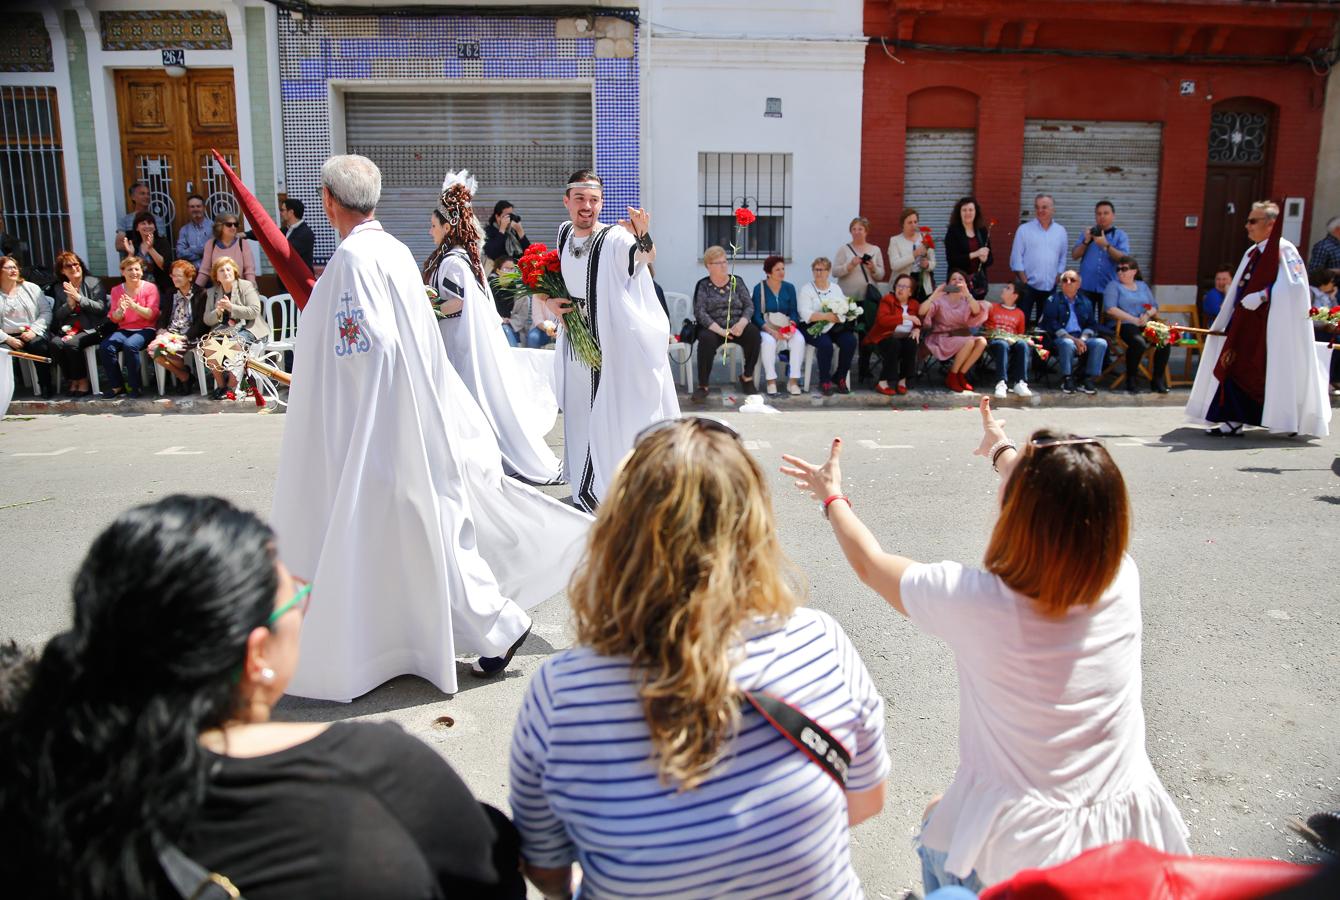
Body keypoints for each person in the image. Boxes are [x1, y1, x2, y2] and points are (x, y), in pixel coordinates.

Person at [0, 494, 527, 899]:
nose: (303, 599)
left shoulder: (40, 777)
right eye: (294, 594)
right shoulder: (382, 774)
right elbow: (493, 880)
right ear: (257, 657)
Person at [779, 399, 1191, 894]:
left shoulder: (979, 602)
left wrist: (832, 496)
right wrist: (1001, 448)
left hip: (1022, 847)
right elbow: (1070, 502)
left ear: (1016, 513)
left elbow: (870, 563)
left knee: (939, 824)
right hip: (1128, 827)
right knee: (943, 810)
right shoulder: (1120, 576)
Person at [510, 417, 890, 900]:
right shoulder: (820, 643)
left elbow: (546, 867)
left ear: (619, 536)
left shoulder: (563, 690)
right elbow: (864, 801)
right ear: (753, 530)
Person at [270, 154, 591, 700]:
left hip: (385, 425)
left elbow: (362, 351)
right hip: (422, 412)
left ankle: (494, 628)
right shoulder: (392, 250)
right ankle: (439, 637)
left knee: (425, 535)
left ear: (328, 202)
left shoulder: (352, 260)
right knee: (420, 535)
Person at [533, 169, 679, 512]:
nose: (587, 206)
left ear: (601, 203)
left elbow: (645, 257)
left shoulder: (614, 239)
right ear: (567, 201)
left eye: (594, 200)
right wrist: (550, 302)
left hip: (608, 346)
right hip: (574, 340)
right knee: (579, 410)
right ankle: (585, 479)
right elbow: (556, 279)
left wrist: (643, 236)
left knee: (605, 411)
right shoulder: (564, 233)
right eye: (580, 199)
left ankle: (603, 485)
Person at [425, 171, 563, 484]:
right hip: (462, 342)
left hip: (459, 344)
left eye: (433, 225)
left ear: (448, 227)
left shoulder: (451, 262)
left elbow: (457, 302)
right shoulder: (461, 259)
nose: (429, 230)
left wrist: (427, 309)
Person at [1187, 201, 1331, 437]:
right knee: (1234, 368)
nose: (1247, 226)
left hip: (1270, 331)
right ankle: (1233, 418)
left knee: (1265, 375)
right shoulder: (1252, 252)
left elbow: (1296, 288)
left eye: (1253, 221)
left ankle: (1285, 419)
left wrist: (1264, 295)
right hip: (1245, 326)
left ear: (1271, 224)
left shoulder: (1285, 251)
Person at [692, 246, 760, 398]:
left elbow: (749, 305)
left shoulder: (737, 281)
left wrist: (742, 324)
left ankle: (747, 377)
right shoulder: (703, 285)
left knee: (754, 334)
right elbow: (700, 312)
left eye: (725, 261)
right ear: (709, 266)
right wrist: (721, 331)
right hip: (714, 328)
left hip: (737, 327)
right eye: (718, 263)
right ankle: (703, 385)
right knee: (705, 339)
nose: (724, 265)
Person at [201, 257, 270, 400]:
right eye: (222, 270)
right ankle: (221, 386)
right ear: (216, 276)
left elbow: (254, 311)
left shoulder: (246, 286)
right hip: (225, 331)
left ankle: (232, 386)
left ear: (234, 271)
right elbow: (207, 319)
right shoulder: (212, 292)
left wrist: (231, 307)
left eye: (228, 269)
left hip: (250, 329)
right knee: (208, 345)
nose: (226, 272)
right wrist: (218, 311)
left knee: (235, 344)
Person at [1104, 255, 1170, 393]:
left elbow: (1154, 306)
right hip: (1124, 324)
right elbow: (1110, 308)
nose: (1120, 272)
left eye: (1124, 269)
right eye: (1118, 269)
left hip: (1144, 322)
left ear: (1134, 271)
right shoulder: (1113, 285)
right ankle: (1131, 379)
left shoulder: (1142, 285)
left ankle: (1157, 380)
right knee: (1138, 343)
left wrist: (1146, 315)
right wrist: (1133, 319)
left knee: (1164, 339)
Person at [98, 256, 160, 399]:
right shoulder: (116, 290)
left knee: (130, 345)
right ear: (123, 272)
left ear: (142, 272)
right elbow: (114, 317)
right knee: (106, 347)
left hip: (146, 329)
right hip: (124, 329)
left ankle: (135, 386)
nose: (134, 272)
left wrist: (134, 306)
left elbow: (151, 315)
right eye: (129, 269)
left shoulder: (150, 288)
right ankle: (117, 386)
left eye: (137, 269)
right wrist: (120, 311)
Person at [47, 251, 107, 396]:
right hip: (69, 329)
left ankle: (83, 381)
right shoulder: (59, 288)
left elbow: (101, 308)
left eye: (76, 264)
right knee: (55, 343)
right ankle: (73, 379)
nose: (74, 268)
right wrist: (69, 305)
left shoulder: (93, 282)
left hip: (93, 328)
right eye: (69, 266)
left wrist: (79, 298)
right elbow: (58, 315)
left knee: (72, 344)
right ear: (62, 270)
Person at [798, 255, 860, 396]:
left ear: (828, 271)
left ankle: (840, 377)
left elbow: (843, 306)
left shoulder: (835, 288)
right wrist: (825, 316)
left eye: (822, 270)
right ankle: (824, 380)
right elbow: (804, 312)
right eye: (815, 269)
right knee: (825, 345)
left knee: (850, 341)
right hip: (812, 326)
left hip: (834, 326)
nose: (818, 273)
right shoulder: (807, 289)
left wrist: (842, 315)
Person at [835, 216, 886, 383]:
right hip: (847, 299)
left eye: (860, 229)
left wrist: (872, 267)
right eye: (854, 229)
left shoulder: (875, 249)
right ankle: (845, 369)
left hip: (867, 299)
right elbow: (835, 272)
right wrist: (849, 265)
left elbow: (881, 275)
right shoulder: (844, 249)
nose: (857, 232)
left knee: (867, 334)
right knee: (847, 332)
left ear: (866, 231)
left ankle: (864, 369)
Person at [920, 270, 989, 393]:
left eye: (960, 279)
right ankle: (952, 375)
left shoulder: (966, 299)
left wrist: (967, 293)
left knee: (982, 342)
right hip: (941, 337)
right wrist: (935, 293)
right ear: (948, 283)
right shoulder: (940, 299)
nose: (957, 281)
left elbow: (977, 310)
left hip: (961, 336)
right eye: (953, 279)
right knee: (969, 341)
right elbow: (922, 312)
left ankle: (961, 374)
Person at [1040, 269, 1107, 395]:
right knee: (1067, 343)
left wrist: (1083, 339)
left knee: (1100, 343)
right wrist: (1073, 339)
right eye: (1065, 280)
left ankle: (1086, 378)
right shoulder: (1052, 300)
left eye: (1072, 280)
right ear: (1061, 284)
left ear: (1079, 284)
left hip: (1081, 337)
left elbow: (1091, 324)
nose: (1068, 282)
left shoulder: (1086, 301)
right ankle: (1067, 378)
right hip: (1060, 338)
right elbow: (1051, 323)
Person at [147, 259, 208, 395]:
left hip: (190, 334)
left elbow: (201, 322)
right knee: (154, 351)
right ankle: (184, 376)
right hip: (171, 333)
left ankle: (184, 378)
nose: (175, 279)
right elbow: (164, 316)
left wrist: (184, 336)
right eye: (173, 275)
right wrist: (161, 329)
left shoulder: (201, 294)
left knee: (170, 353)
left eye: (179, 276)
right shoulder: (171, 293)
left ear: (189, 277)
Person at [1010, 193, 1068, 325]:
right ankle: (1023, 345)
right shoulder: (1024, 230)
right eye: (1037, 207)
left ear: (1053, 209)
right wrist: (1023, 279)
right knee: (1022, 322)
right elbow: (1016, 257)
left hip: (1050, 286)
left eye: (1044, 207)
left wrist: (1058, 276)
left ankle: (1042, 346)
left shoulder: (1061, 231)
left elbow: (1062, 257)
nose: (1040, 211)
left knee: (1045, 324)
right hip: (1028, 286)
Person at [751, 255, 804, 397]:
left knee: (798, 340)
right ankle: (771, 380)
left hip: (786, 326)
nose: (781, 272)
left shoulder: (789, 287)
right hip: (767, 327)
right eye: (777, 270)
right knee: (768, 342)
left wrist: (792, 325)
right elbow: (755, 315)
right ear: (768, 272)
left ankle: (793, 381)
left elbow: (793, 311)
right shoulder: (759, 288)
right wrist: (771, 332)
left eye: (783, 269)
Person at [2, 254, 54, 395]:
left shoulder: (31, 288)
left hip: (31, 332)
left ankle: (45, 386)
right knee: (2, 353)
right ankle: (5, 392)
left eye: (15, 267)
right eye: (8, 268)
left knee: (40, 346)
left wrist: (34, 331)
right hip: (6, 336)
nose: (13, 270)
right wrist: (7, 339)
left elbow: (46, 312)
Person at [1072, 200, 1131, 319]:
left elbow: (1124, 259)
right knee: (1084, 321)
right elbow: (1075, 255)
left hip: (1109, 288)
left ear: (1113, 215)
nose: (1102, 216)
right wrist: (1086, 241)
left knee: (1107, 325)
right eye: (1099, 214)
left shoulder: (1120, 236)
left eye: (1106, 213)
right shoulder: (1088, 234)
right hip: (1086, 286)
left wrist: (1106, 245)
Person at [868, 272, 921, 396]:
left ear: (910, 292)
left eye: (904, 287)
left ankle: (903, 380)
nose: (900, 289)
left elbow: (919, 321)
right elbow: (882, 320)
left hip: (904, 337)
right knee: (894, 344)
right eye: (898, 286)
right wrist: (906, 317)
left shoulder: (914, 304)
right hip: (884, 337)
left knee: (912, 343)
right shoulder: (887, 300)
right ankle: (883, 382)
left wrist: (917, 329)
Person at [983, 279, 1032, 398]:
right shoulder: (992, 307)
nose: (1004, 289)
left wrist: (1025, 340)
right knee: (1002, 344)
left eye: (1008, 288)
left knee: (1022, 345)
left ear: (1015, 296)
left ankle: (1020, 382)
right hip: (996, 341)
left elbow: (1020, 334)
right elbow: (986, 328)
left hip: (1013, 341)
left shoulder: (1020, 313)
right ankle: (1001, 383)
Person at [944, 196, 993, 300]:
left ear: (976, 212)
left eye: (971, 210)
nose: (968, 213)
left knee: (976, 313)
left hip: (977, 285)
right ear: (959, 212)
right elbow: (951, 260)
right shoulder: (953, 231)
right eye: (964, 210)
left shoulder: (982, 231)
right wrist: (975, 254)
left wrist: (984, 260)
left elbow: (990, 259)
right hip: (956, 284)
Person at [118, 210, 173, 295]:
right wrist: (130, 254)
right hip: (137, 289)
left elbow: (164, 266)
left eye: (150, 223)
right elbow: (125, 272)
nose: (147, 226)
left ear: (154, 227)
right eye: (143, 223)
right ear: (137, 228)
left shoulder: (162, 242)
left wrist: (150, 248)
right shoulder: (133, 244)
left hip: (159, 288)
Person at [195, 214, 256, 287]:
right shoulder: (211, 244)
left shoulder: (242, 243)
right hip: (218, 291)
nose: (233, 227)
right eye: (229, 225)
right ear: (219, 227)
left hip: (239, 290)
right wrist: (195, 290)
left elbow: (249, 270)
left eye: (235, 224)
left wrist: (252, 289)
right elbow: (205, 271)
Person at [888, 207, 935, 299]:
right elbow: (894, 265)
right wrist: (914, 255)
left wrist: (927, 265)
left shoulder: (925, 238)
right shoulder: (895, 240)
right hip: (902, 284)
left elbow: (933, 262)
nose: (913, 225)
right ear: (903, 225)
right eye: (909, 223)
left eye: (915, 222)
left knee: (921, 311)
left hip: (922, 283)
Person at [115, 180, 166, 248]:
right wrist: (140, 247)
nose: (146, 196)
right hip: (133, 257)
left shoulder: (157, 220)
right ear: (133, 197)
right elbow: (119, 245)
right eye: (142, 193)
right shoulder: (125, 220)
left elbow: (162, 244)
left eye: (148, 194)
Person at [483, 200, 530, 265]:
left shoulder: (513, 232)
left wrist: (520, 231)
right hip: (498, 271)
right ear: (497, 217)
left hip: (516, 271)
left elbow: (529, 253)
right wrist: (502, 230)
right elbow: (492, 253)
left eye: (510, 215)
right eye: (506, 216)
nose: (509, 219)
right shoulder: (488, 231)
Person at [174, 193, 213, 267]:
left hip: (211, 270)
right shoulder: (184, 230)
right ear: (188, 209)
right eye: (192, 207)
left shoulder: (213, 227)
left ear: (204, 208)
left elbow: (214, 250)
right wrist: (201, 252)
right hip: (192, 272)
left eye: (198, 206)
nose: (195, 209)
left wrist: (191, 249)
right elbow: (179, 253)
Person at [279, 197, 315, 271]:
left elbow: (289, 251)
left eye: (282, 210)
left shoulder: (305, 233)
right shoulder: (286, 229)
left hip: (299, 279)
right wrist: (248, 235)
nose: (281, 213)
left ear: (291, 212)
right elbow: (268, 233)